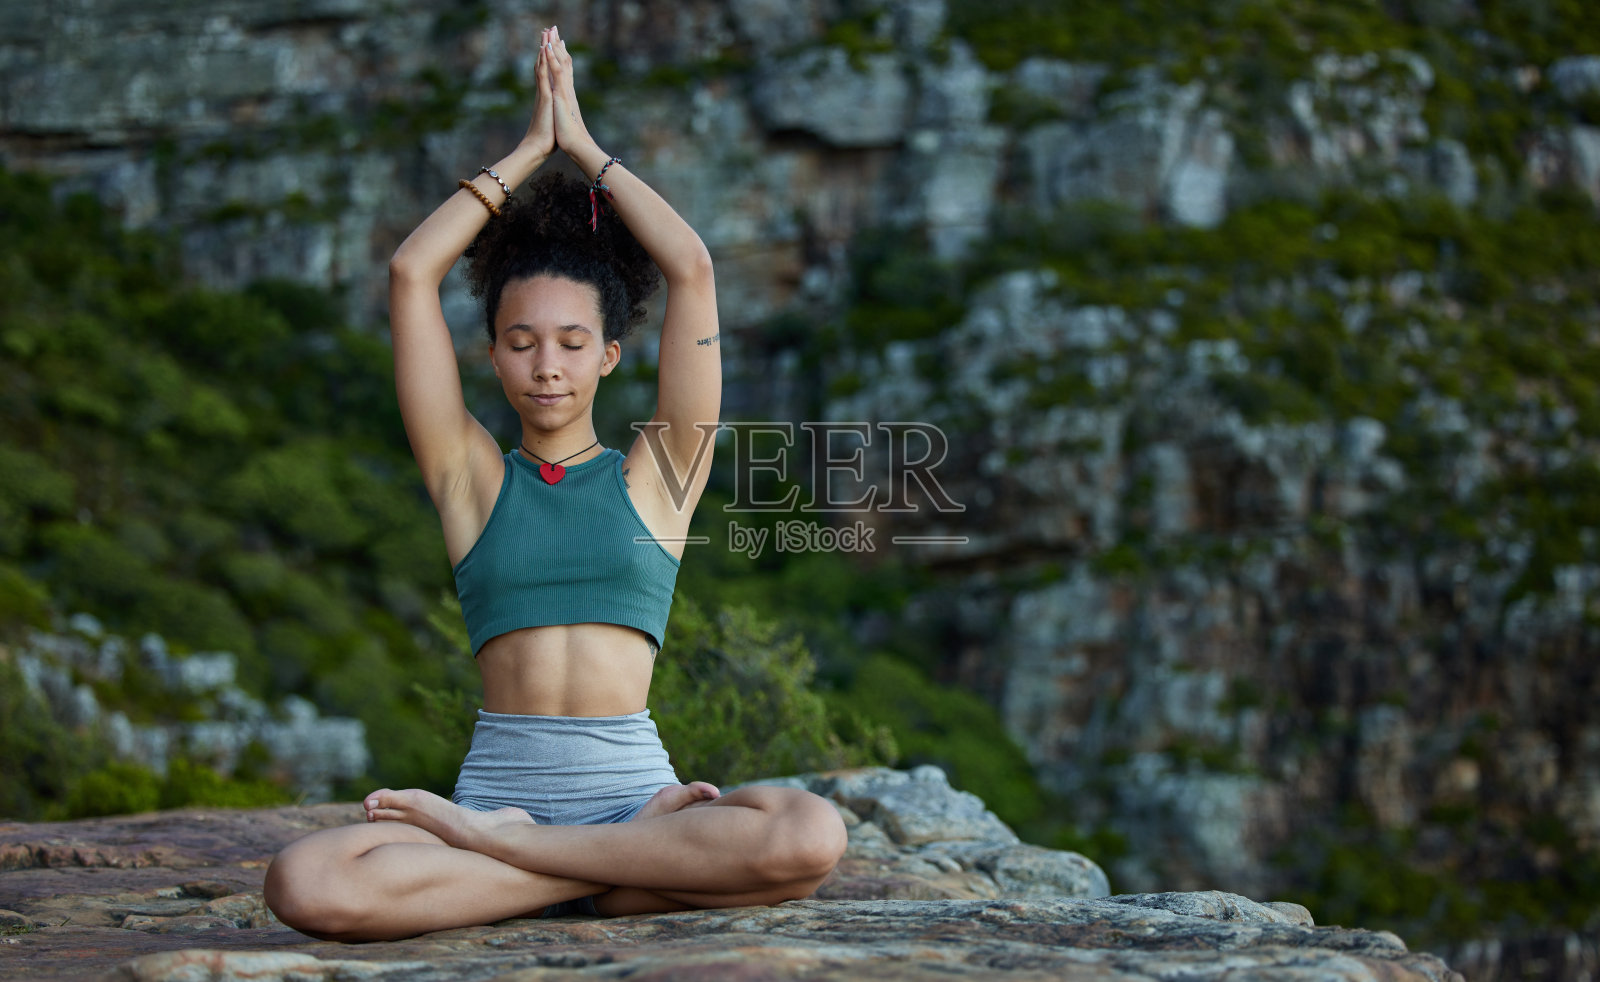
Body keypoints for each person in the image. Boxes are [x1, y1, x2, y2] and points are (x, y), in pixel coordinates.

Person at [262, 25, 847, 942]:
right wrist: (526, 154)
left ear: (610, 355)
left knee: (811, 835)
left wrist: (584, 150)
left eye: (573, 343)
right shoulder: (470, 480)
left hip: (627, 795)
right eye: (522, 342)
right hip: (501, 799)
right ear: (492, 356)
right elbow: (413, 272)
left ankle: (528, 863)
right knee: (305, 881)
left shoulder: (662, 476)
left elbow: (691, 267)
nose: (547, 366)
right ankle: (590, 875)